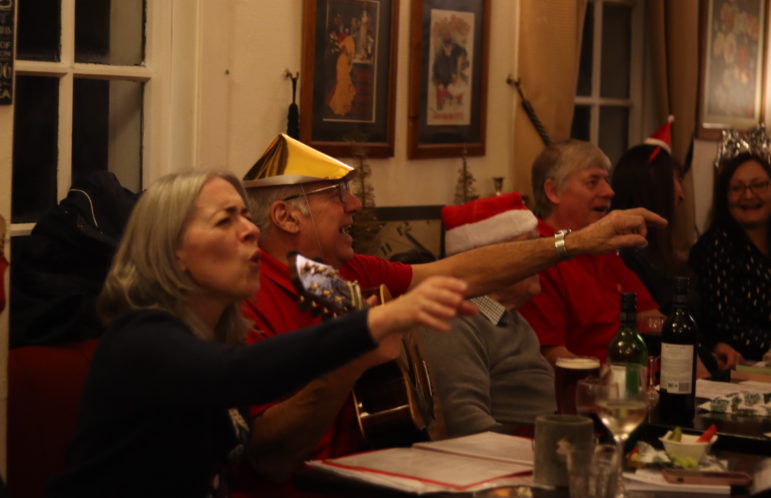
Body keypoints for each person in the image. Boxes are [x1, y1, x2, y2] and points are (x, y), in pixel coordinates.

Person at [236, 134, 665, 495]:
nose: (355, 205)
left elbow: (460, 272)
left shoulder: (339, 273)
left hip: (382, 473)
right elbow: (270, 455)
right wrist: (352, 356)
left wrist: (571, 244)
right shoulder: (249, 297)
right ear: (285, 215)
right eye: (336, 194)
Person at [45, 169, 476, 498]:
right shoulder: (140, 337)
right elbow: (236, 374)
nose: (250, 229)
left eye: (246, 217)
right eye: (224, 220)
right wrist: (369, 325)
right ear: (172, 253)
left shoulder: (222, 328)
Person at [419, 192, 556, 438]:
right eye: (527, 246)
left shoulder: (509, 316)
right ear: (488, 262)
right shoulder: (454, 321)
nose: (538, 258)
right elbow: (465, 425)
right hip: (513, 460)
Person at [518, 139, 661, 365]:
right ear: (553, 191)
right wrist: (623, 382)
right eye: (593, 182)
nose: (609, 191)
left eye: (606, 180)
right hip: (589, 391)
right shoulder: (539, 254)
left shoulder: (601, 245)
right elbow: (552, 356)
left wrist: (683, 337)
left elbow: (647, 316)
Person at [688, 151, 771, 367]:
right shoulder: (716, 246)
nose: (749, 195)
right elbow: (727, 329)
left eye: (759, 185)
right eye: (737, 188)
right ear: (724, 197)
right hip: (741, 370)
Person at [611, 118, 687, 314]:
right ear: (654, 184)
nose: (681, 194)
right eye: (677, 180)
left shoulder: (658, 254)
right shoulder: (627, 256)